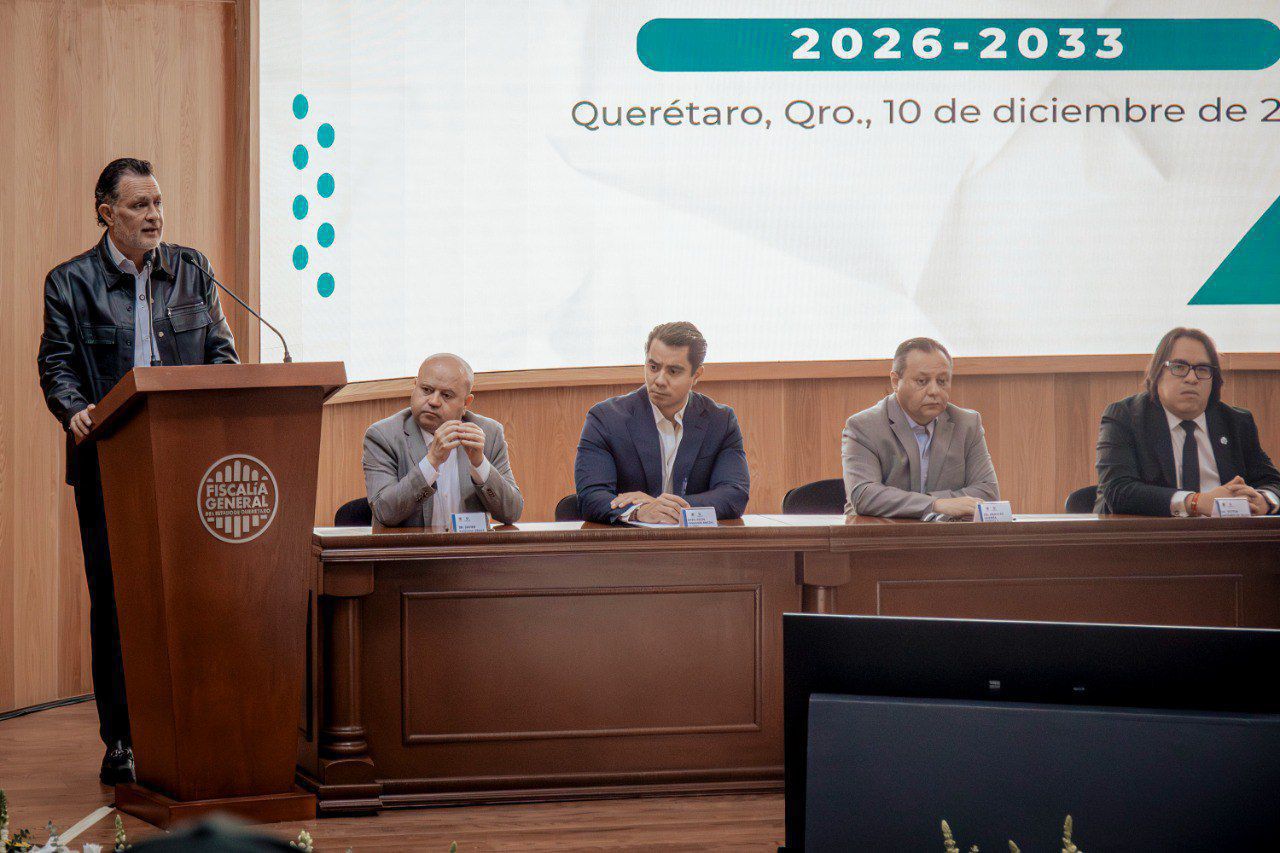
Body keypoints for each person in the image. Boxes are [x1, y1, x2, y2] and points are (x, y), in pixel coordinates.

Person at [37, 157, 239, 784]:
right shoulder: (70, 282)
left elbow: (222, 354)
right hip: (110, 462)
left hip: (188, 464)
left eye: (158, 203)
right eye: (139, 205)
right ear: (107, 214)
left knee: (194, 597)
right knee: (116, 602)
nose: (155, 216)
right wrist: (74, 408)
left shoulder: (193, 269)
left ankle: (192, 727)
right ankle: (121, 738)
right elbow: (57, 364)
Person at [574, 321, 749, 524]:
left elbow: (734, 495)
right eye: (653, 367)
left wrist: (665, 507)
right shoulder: (606, 419)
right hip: (628, 541)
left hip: (694, 540)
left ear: (696, 375)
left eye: (673, 371)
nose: (659, 380)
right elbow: (591, 496)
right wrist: (640, 511)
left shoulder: (720, 422)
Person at [1095, 327, 1280, 516]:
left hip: (1224, 532)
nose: (1192, 378)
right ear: (1158, 373)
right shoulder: (1125, 418)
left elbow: (1273, 482)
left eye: (1202, 369)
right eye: (1179, 367)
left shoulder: (1236, 422)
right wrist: (1195, 502)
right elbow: (1118, 491)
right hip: (1150, 532)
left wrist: (1264, 500)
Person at [842, 337, 999, 519]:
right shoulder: (864, 426)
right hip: (882, 533)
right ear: (895, 381)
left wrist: (932, 504)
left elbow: (988, 492)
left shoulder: (967, 424)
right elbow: (864, 494)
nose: (934, 391)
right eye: (922, 381)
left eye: (942, 381)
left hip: (944, 535)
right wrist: (935, 504)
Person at [363, 353, 523, 527]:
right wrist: (431, 462)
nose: (433, 401)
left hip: (468, 544)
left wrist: (479, 464)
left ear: (466, 403)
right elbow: (384, 512)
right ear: (414, 387)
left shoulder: (488, 434)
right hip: (411, 545)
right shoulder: (383, 436)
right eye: (426, 390)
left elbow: (512, 512)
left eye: (446, 395)